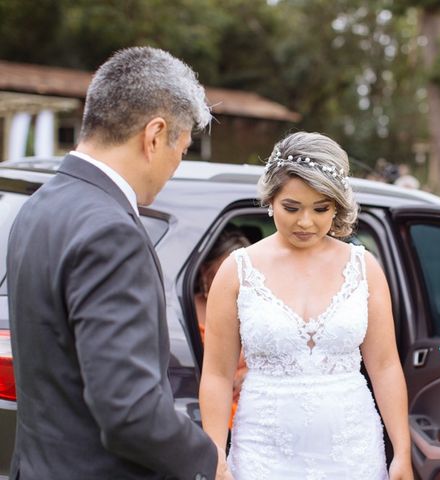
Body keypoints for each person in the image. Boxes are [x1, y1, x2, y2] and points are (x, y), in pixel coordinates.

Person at [7, 47, 220, 480]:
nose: (177, 164)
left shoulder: (36, 206)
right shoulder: (112, 231)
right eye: (182, 149)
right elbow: (130, 410)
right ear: (155, 135)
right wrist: (206, 463)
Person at [199, 131, 413, 479]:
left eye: (321, 209)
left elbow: (386, 366)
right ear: (271, 200)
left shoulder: (364, 268)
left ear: (337, 206)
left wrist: (401, 450)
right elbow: (218, 375)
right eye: (291, 207)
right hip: (263, 450)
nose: (305, 222)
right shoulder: (237, 271)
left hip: (352, 448)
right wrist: (216, 455)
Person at [194, 227, 251, 413]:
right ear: (204, 271)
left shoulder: (256, 311)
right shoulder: (184, 309)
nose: (233, 280)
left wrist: (248, 377)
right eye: (223, 271)